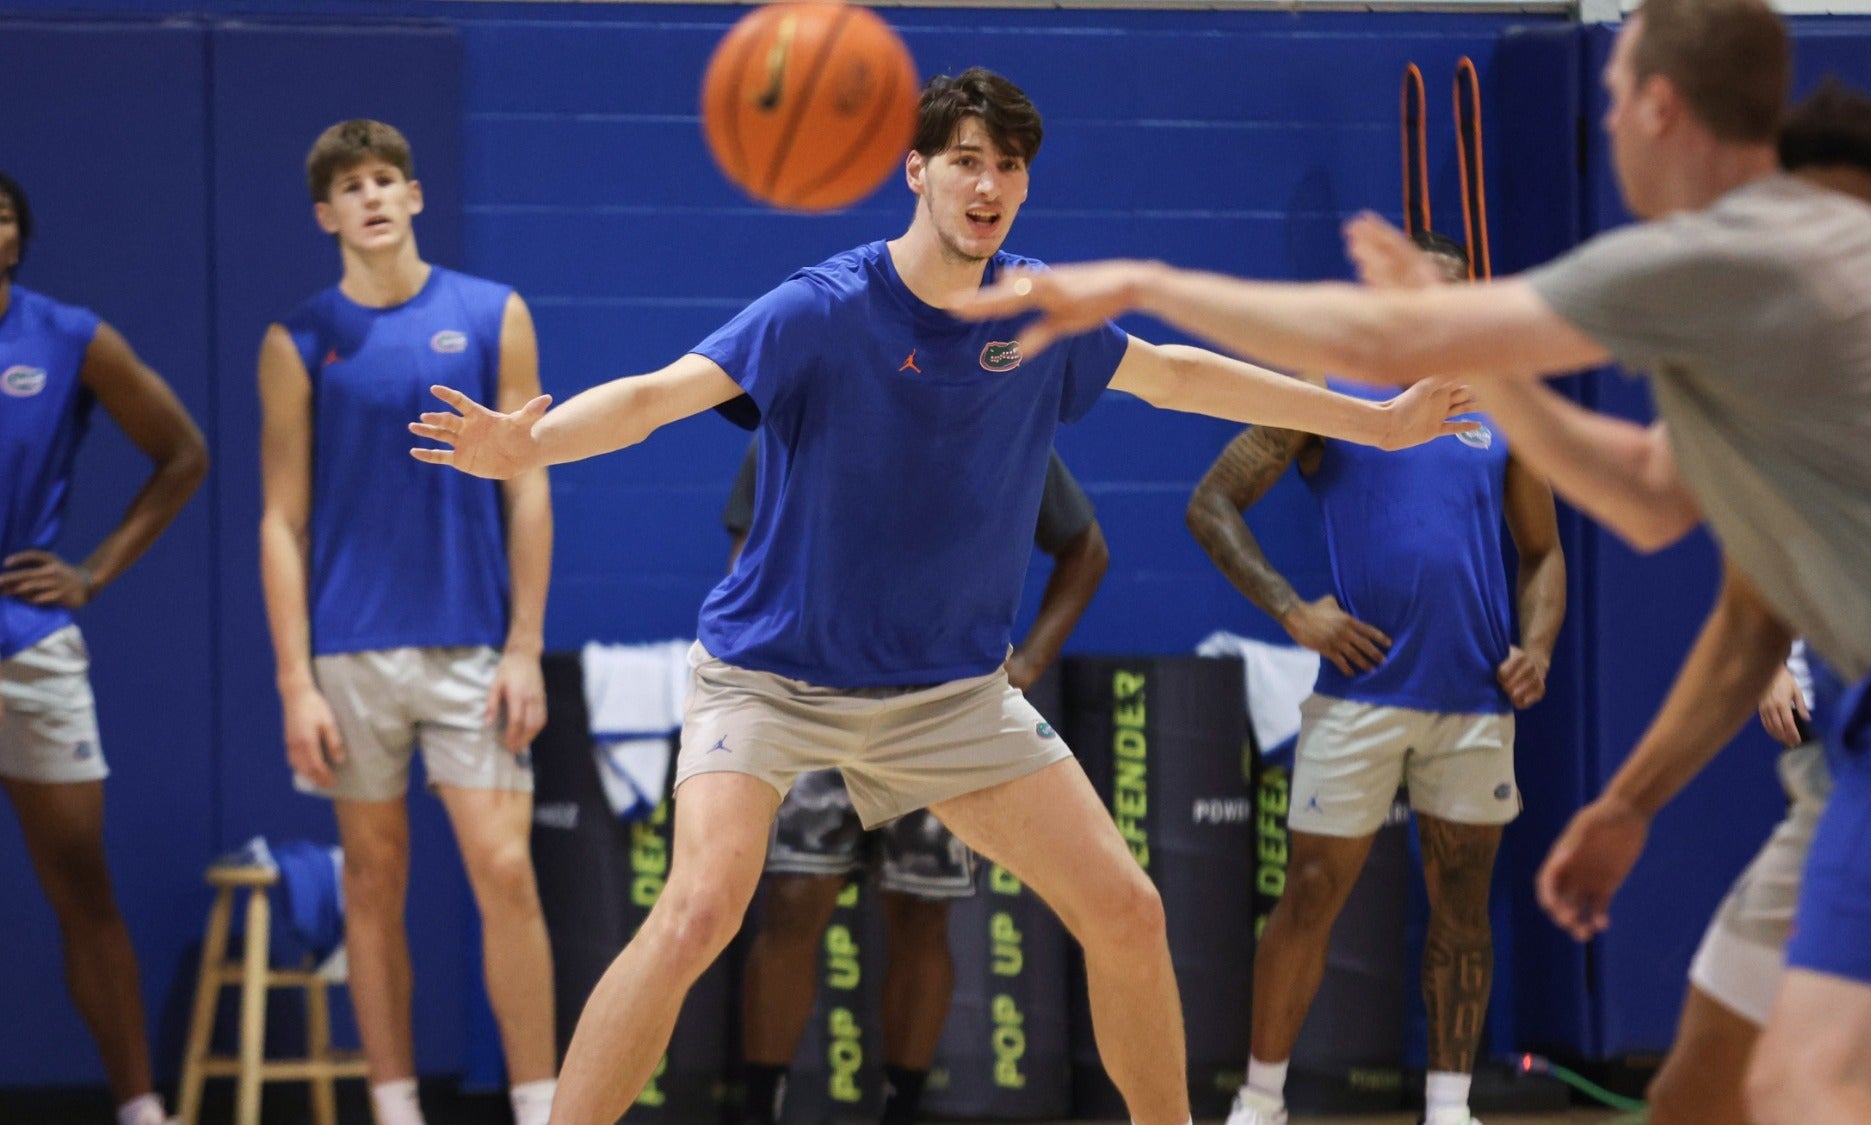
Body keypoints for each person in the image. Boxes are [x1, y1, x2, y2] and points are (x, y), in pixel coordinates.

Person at [962, 2, 1871, 1120]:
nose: (1603, 121)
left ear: (1658, 106)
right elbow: (1652, 500)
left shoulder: (1739, 254)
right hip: (1857, 739)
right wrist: (1630, 803)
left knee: (1826, 1081)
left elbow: (1364, 343)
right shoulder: (1747, 296)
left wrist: (1136, 288)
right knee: (1706, 1084)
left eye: (1611, 101)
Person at [408, 67, 1474, 1125]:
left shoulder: (1042, 312)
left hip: (948, 697)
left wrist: (1373, 423)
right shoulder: (819, 309)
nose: (987, 184)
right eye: (965, 160)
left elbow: (1179, 375)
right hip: (771, 682)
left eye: (1007, 167)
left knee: (1128, 912)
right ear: (915, 171)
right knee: (696, 912)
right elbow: (655, 398)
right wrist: (528, 444)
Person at [1645, 82, 1871, 1125]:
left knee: (1816, 1084)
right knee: (1745, 1089)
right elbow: (1751, 609)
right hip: (1856, 775)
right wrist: (1625, 805)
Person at [1190, 234, 1565, 1125]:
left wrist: (1540, 645)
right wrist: (1291, 608)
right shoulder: (1327, 389)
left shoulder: (1502, 407)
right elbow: (1211, 502)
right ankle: (1261, 1100)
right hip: (1359, 694)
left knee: (1464, 903)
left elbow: (1544, 553)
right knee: (1311, 894)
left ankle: (1448, 1107)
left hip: (1475, 697)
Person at [258, 120, 557, 1125]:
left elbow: (530, 491)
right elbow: (280, 518)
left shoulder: (491, 313)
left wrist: (524, 647)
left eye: (387, 178)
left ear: (416, 196)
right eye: (351, 185)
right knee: (372, 883)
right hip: (347, 652)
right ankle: (393, 1108)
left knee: (504, 867)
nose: (373, 196)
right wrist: (294, 679)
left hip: (471, 643)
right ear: (325, 214)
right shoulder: (298, 339)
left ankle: (539, 1103)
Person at [726, 444, 1109, 1125]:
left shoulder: (992, 404)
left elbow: (1086, 547)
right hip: (816, 695)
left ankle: (901, 1108)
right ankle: (763, 1106)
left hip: (940, 703)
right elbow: (745, 560)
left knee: (922, 909)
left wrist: (1032, 659)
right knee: (791, 899)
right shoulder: (805, 393)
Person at [0, 170, 209, 1125]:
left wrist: (93, 571)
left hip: (27, 645)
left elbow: (183, 453)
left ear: (19, 235)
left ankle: (140, 1109)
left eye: (0, 213)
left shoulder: (69, 335)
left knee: (82, 880)